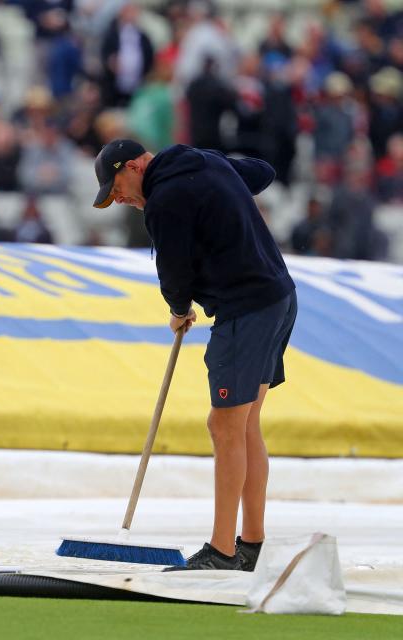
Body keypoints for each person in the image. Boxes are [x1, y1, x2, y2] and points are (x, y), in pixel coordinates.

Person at [92, 139, 298, 572]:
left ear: (133, 165)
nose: (121, 200)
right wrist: (222, 182)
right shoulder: (204, 162)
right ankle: (252, 544)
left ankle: (223, 551)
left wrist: (180, 309)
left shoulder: (165, 200)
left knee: (224, 425)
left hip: (246, 308)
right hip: (278, 296)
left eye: (118, 188)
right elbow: (261, 171)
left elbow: (175, 270)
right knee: (244, 425)